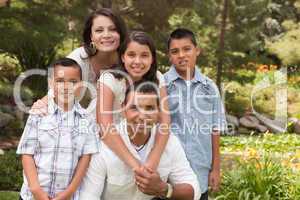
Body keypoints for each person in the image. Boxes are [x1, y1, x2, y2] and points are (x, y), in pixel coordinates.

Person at [79, 82, 201, 200]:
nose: (142, 116)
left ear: (159, 111)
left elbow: (194, 191)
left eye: (149, 108)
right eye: (134, 108)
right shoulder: (103, 146)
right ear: (123, 109)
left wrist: (164, 189)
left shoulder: (170, 142)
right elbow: (89, 195)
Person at [17, 58, 100, 200]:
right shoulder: (39, 113)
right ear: (51, 83)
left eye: (73, 82)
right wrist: (36, 190)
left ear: (81, 85)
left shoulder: (86, 119)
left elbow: (85, 158)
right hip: (33, 195)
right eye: (60, 81)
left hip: (67, 195)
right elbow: (26, 153)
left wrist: (70, 191)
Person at [164, 28, 227, 200]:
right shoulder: (162, 85)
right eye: (175, 51)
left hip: (201, 169)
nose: (181, 55)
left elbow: (215, 129)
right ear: (169, 56)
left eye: (187, 49)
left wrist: (215, 168)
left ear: (197, 50)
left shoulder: (210, 87)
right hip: (171, 172)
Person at [97, 31, 170, 170]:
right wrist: (136, 165)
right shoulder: (109, 79)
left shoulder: (158, 77)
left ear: (152, 59)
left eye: (144, 55)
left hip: (141, 140)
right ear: (123, 57)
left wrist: (152, 161)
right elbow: (105, 127)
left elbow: (165, 122)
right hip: (109, 143)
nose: (137, 61)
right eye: (131, 55)